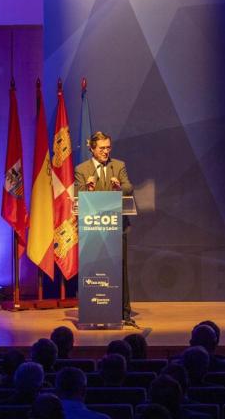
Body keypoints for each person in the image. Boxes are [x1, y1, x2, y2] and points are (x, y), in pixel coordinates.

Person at [73, 131, 135, 324]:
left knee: (120, 268)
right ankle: (94, 311)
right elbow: (78, 195)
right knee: (93, 269)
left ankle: (124, 313)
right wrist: (87, 189)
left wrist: (119, 188)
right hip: (92, 230)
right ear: (92, 149)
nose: (106, 151)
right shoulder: (82, 169)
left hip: (117, 227)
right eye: (101, 148)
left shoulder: (119, 165)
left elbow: (129, 188)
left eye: (108, 147)